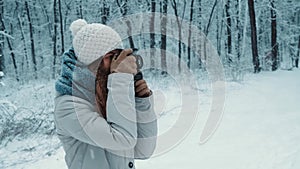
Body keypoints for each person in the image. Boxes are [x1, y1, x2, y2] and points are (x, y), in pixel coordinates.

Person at [54, 19, 157, 169]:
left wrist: (141, 102)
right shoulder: (68, 107)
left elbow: (143, 150)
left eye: (119, 54)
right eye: (113, 56)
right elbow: (123, 139)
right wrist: (120, 80)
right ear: (92, 63)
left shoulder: (110, 94)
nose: (119, 61)